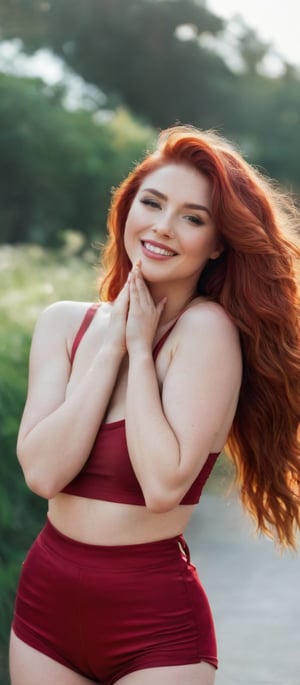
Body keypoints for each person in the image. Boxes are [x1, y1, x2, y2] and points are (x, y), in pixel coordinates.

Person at [10, 124, 300, 685]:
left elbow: (163, 487)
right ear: (127, 210)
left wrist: (141, 352)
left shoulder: (207, 332)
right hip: (45, 609)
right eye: (152, 203)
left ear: (217, 243)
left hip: (152, 628)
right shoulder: (62, 325)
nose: (163, 227)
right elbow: (44, 474)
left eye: (193, 217)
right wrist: (113, 344)